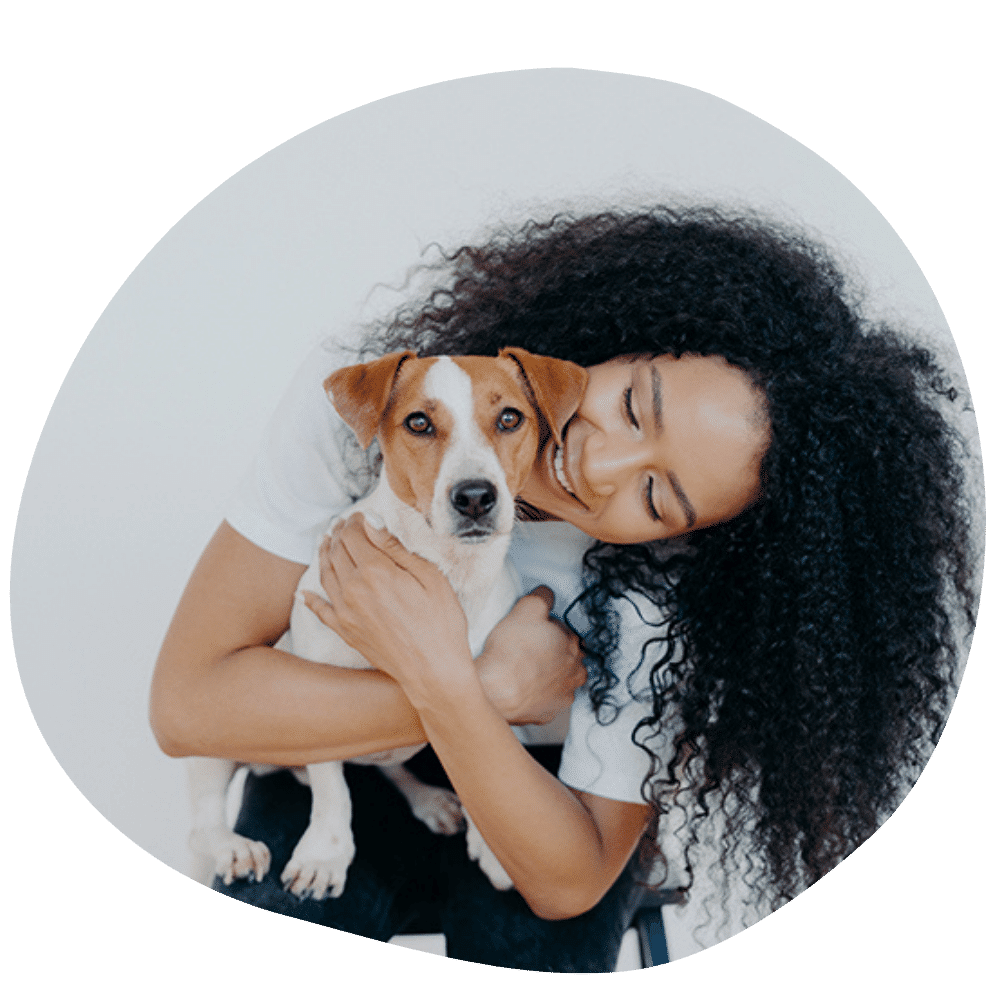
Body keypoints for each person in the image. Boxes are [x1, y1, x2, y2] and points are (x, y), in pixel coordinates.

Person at [150, 207, 979, 971]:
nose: (596, 464)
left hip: (547, 793)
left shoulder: (662, 595)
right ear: (625, 325)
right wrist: (486, 689)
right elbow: (189, 708)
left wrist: (458, 697)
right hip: (330, 762)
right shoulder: (380, 400)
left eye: (657, 498)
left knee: (532, 943)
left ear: (694, 538)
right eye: (628, 404)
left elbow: (568, 879)